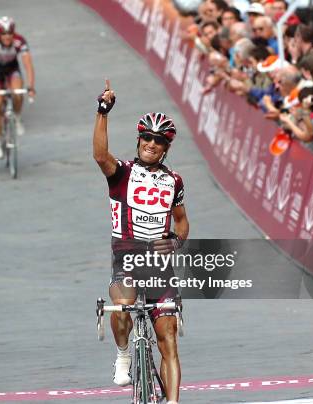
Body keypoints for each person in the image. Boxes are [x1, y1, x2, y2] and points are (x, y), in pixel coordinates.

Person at [93, 80, 189, 404]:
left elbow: (182, 221)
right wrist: (103, 112)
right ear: (139, 140)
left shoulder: (174, 181)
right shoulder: (121, 172)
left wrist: (177, 242)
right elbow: (99, 154)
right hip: (127, 258)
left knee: (169, 337)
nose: (151, 143)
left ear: (166, 148)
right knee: (122, 308)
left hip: (160, 266)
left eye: (158, 140)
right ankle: (123, 354)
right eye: (146, 137)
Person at [0, 16, 35, 159]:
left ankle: (17, 118)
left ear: (13, 33)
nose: (7, 37)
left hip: (12, 70)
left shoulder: (20, 41)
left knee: (18, 93)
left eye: (10, 34)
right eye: (4, 34)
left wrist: (31, 86)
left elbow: (28, 65)